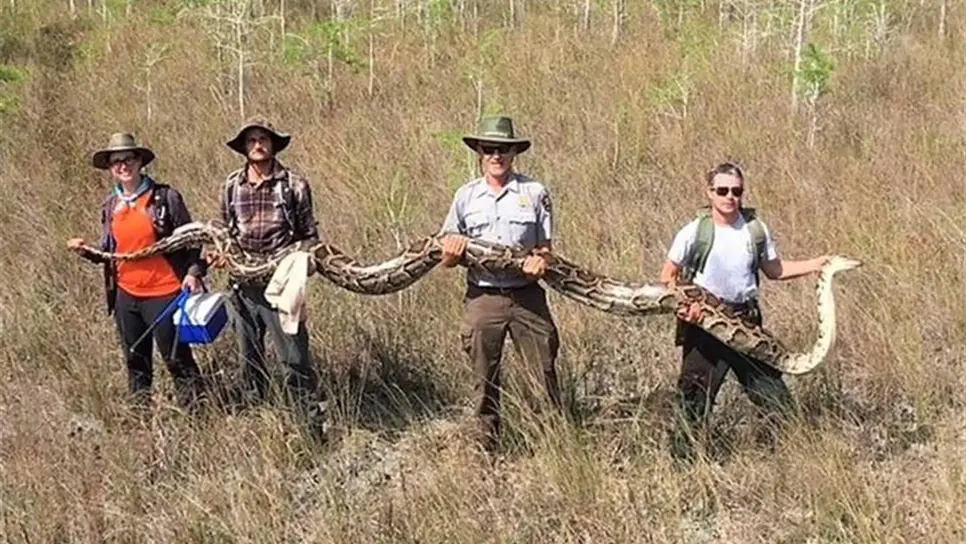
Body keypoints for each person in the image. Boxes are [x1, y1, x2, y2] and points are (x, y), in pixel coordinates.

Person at [658, 161, 830, 459]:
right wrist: (686, 310)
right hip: (705, 326)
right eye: (722, 190)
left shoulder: (755, 229)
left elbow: (774, 270)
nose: (729, 197)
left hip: (746, 323)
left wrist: (816, 265)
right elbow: (667, 276)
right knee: (694, 399)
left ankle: (797, 456)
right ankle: (684, 466)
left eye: (736, 191)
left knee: (773, 395)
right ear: (709, 192)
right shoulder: (694, 231)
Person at [438, 115, 562, 454]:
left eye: (503, 149)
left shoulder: (535, 193)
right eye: (490, 148)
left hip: (526, 297)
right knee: (483, 377)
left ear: (513, 153)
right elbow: (446, 258)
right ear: (479, 152)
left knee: (543, 373)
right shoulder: (465, 196)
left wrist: (541, 263)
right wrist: (451, 253)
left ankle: (552, 447)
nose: (496, 155)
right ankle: (486, 449)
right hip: (483, 297)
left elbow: (547, 251)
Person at [67, 132, 207, 414]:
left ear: (140, 161)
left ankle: (198, 416)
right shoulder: (110, 206)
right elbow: (114, 253)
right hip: (126, 295)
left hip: (165, 292)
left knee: (176, 358)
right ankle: (140, 417)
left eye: (128, 159)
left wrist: (193, 272)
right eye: (115, 161)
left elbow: (193, 239)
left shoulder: (165, 198)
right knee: (135, 358)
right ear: (110, 168)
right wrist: (86, 251)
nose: (122, 166)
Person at [207, 117, 327, 444]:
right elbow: (224, 232)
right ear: (244, 148)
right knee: (250, 360)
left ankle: (311, 430)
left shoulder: (294, 184)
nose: (258, 144)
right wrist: (218, 256)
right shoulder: (231, 185)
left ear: (273, 144)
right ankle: (261, 427)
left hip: (282, 286)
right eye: (251, 140)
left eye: (264, 139)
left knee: (294, 359)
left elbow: (308, 237)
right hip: (242, 287)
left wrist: (301, 265)